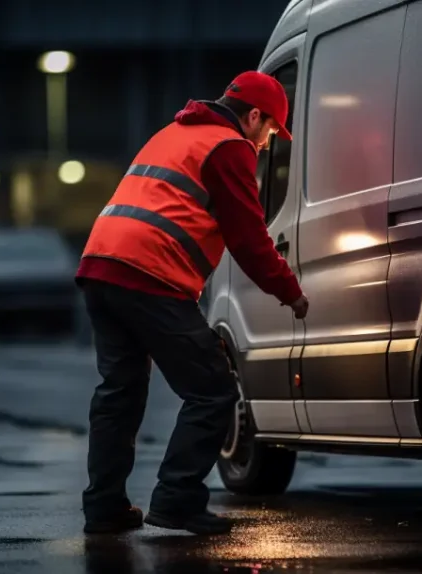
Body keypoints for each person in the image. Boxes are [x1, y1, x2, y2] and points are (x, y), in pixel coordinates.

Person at [76, 71, 310, 536]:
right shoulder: (230, 147)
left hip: (101, 264)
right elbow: (249, 239)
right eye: (269, 133)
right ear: (255, 116)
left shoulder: (175, 132)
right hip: (149, 272)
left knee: (118, 393)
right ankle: (177, 499)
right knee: (213, 389)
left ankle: (104, 508)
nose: (265, 144)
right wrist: (292, 293)